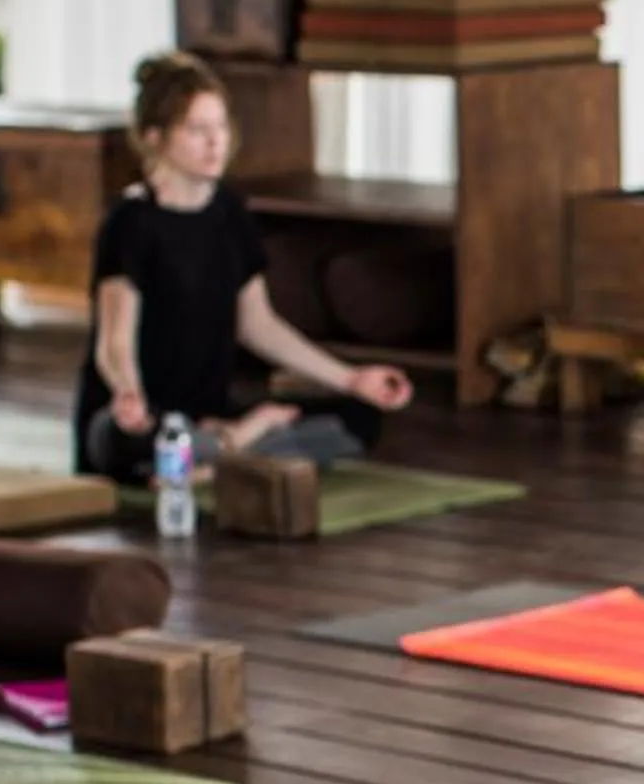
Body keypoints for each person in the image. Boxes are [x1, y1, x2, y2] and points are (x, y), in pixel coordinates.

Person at [75, 50, 415, 483]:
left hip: (209, 412)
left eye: (220, 126)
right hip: (148, 416)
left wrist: (351, 380)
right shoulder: (132, 221)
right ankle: (241, 447)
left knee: (359, 417)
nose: (215, 142)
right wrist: (128, 392)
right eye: (197, 130)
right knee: (117, 441)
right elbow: (114, 340)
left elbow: (259, 325)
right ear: (155, 137)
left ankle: (214, 454)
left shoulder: (230, 214)